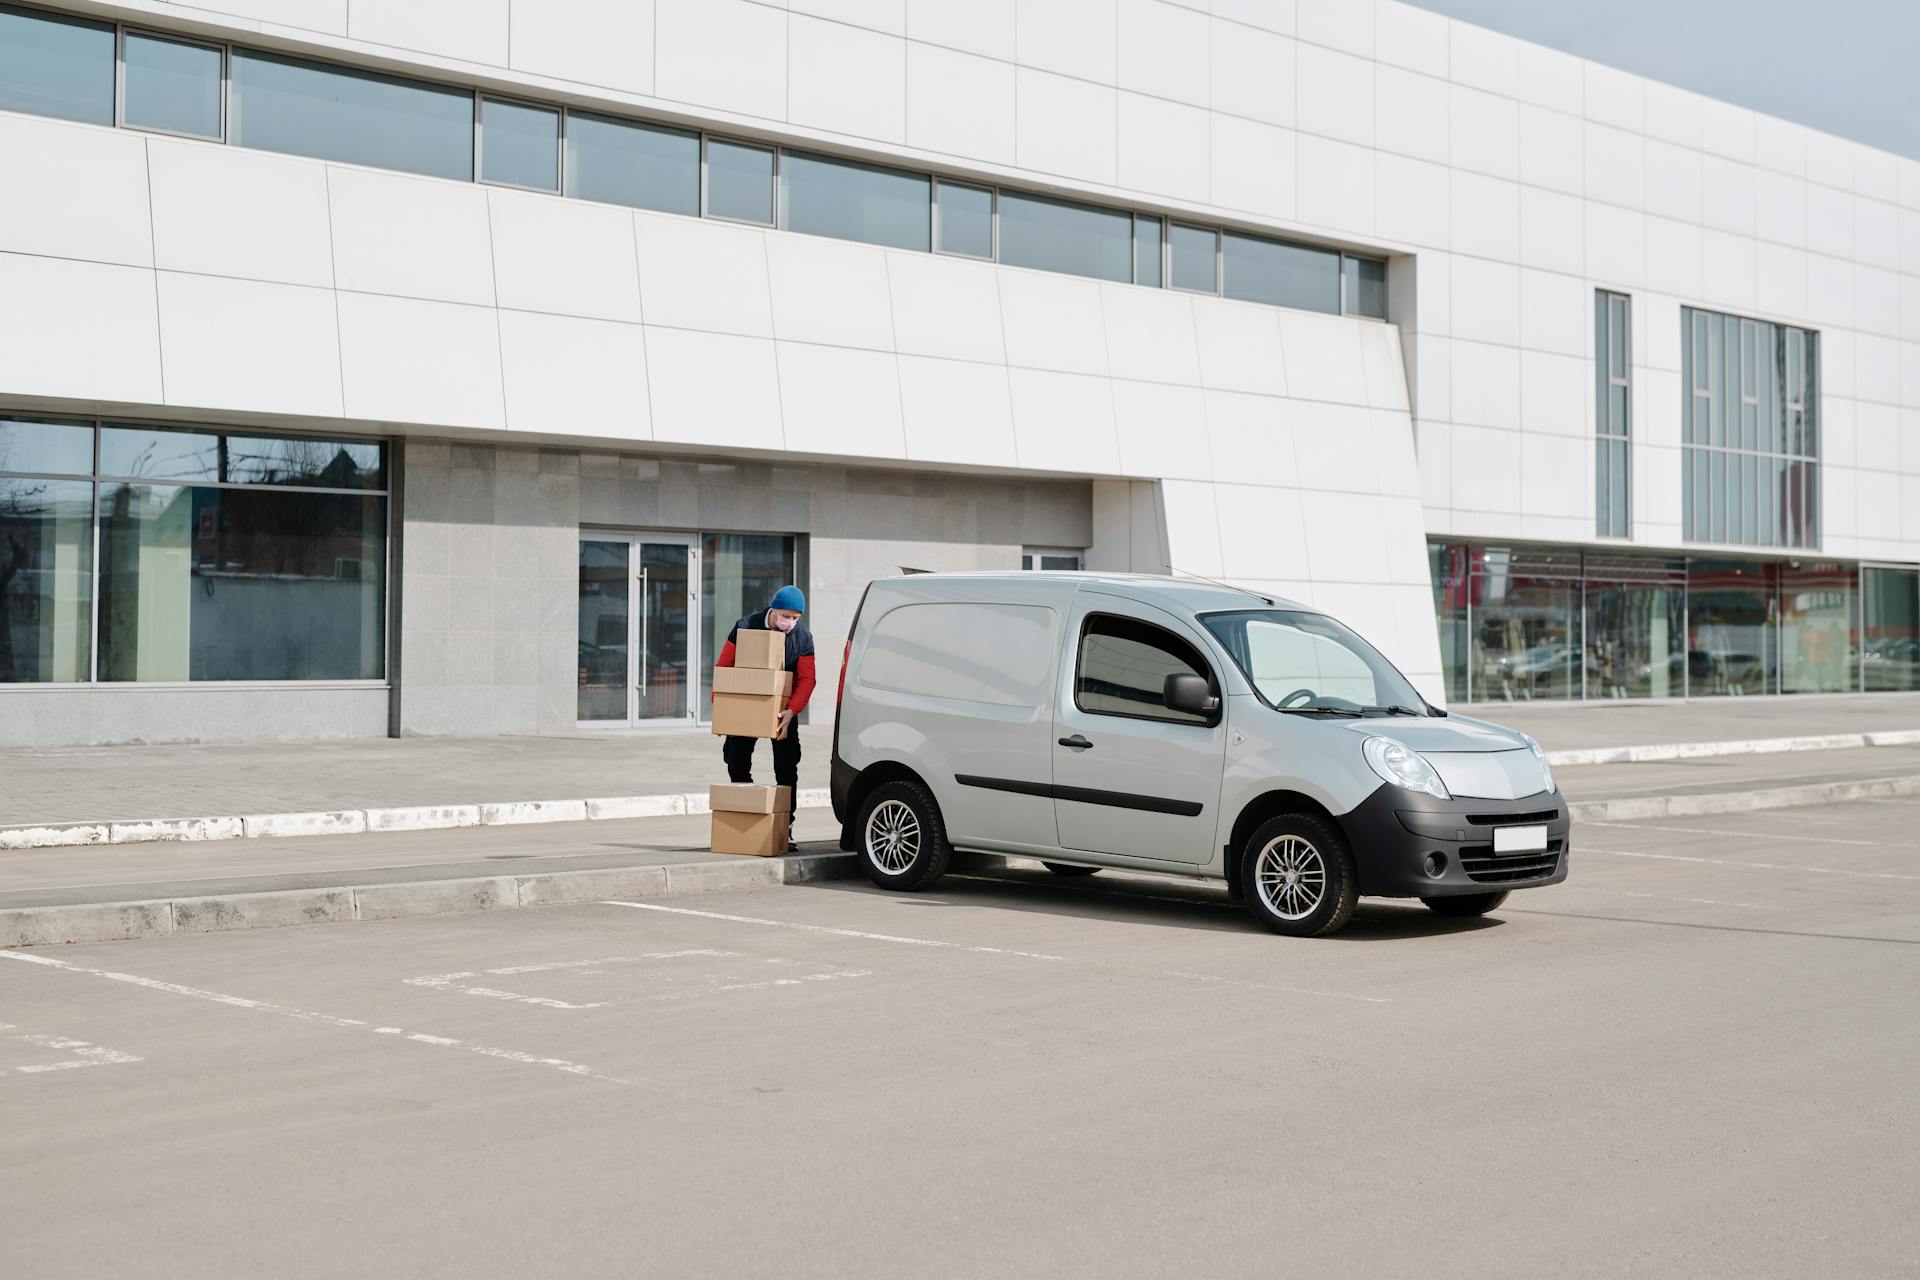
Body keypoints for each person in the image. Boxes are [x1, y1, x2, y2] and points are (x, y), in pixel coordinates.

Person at [714, 585, 815, 851]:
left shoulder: (802, 638)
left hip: (784, 709)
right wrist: (724, 708)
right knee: (736, 757)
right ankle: (745, 811)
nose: (789, 622)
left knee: (787, 765)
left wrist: (792, 711)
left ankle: (786, 825)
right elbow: (724, 666)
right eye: (786, 616)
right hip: (748, 703)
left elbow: (807, 679)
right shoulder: (747, 625)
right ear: (774, 609)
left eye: (795, 618)